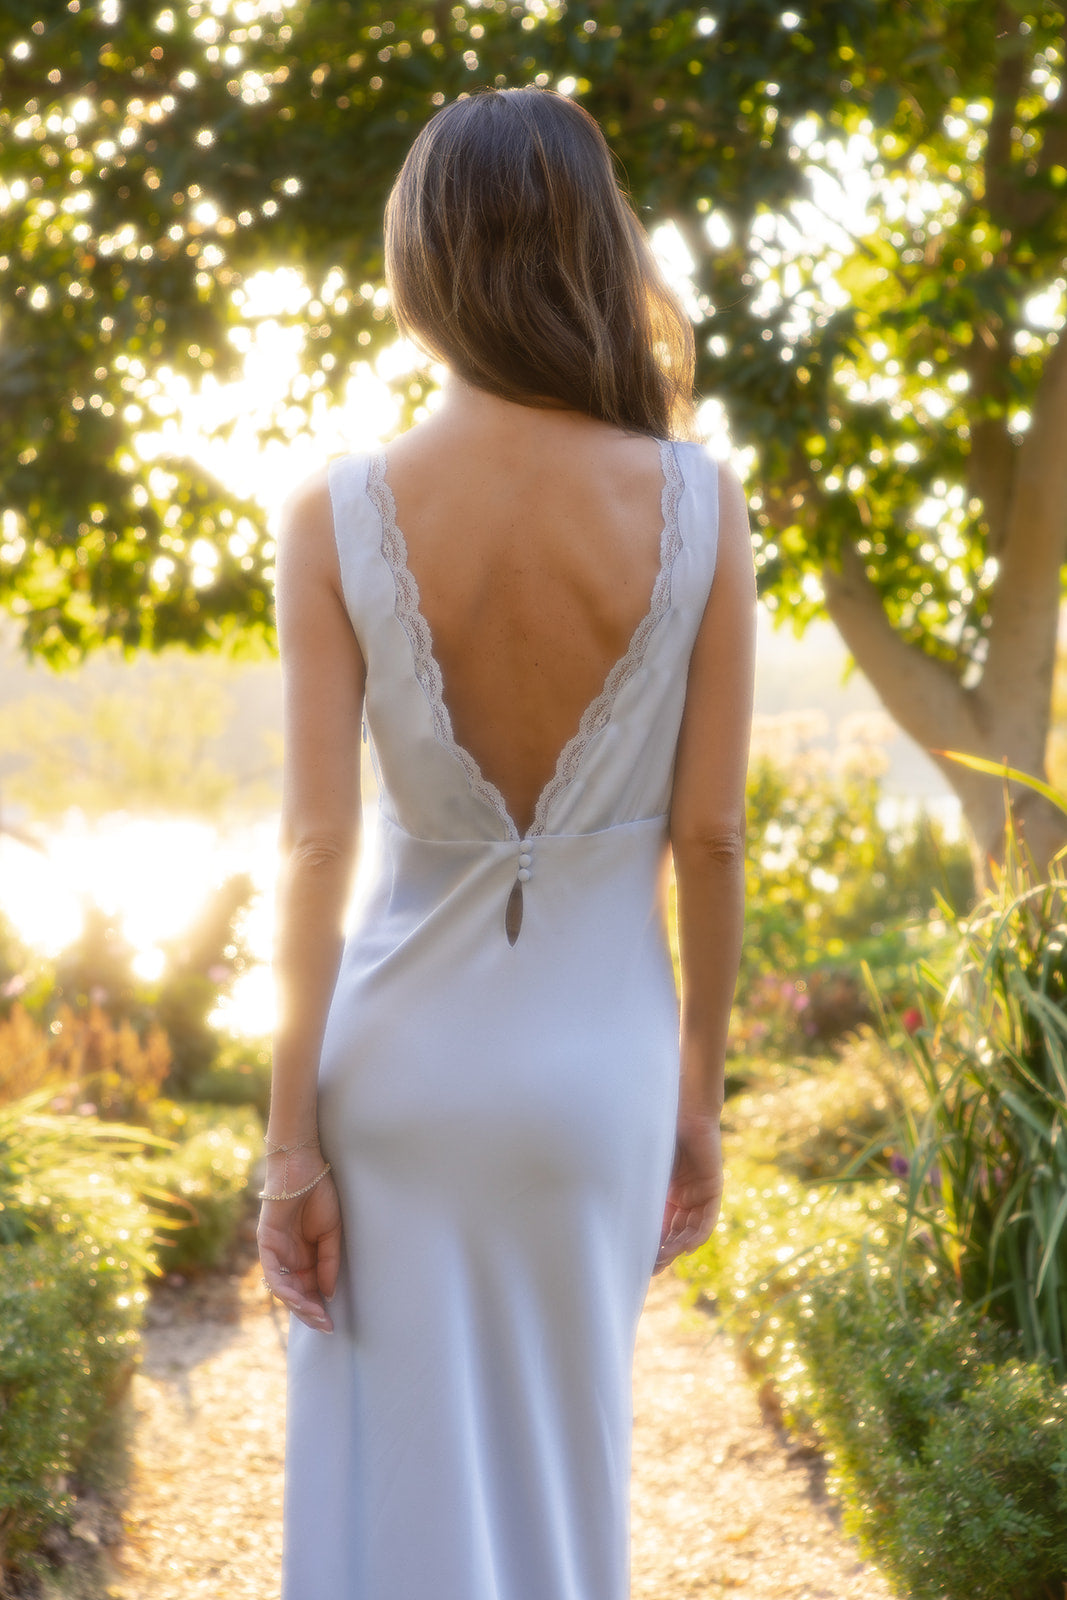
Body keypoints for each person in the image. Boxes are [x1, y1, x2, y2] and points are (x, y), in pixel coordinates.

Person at [258, 85, 754, 1600]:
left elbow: (315, 844)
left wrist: (288, 1148)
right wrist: (698, 1093)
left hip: (394, 1076)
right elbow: (715, 836)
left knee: (377, 1488)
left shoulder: (337, 509)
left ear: (424, 263)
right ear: (594, 250)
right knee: (564, 1472)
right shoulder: (700, 501)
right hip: (593, 1080)